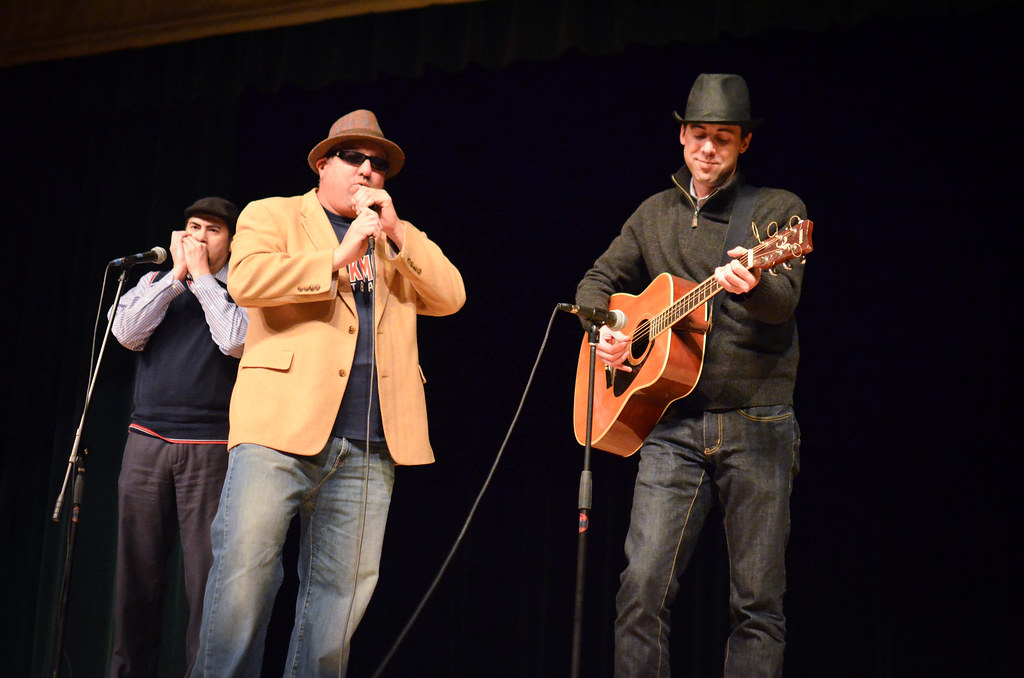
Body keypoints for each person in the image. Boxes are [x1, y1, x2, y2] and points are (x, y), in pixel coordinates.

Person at [194, 109, 466, 677]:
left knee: (338, 606)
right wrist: (338, 257)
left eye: (379, 165)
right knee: (244, 587)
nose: (368, 171)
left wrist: (394, 232)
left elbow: (450, 295)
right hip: (278, 432)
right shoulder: (273, 214)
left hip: (369, 443)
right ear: (323, 163)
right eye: (354, 158)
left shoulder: (394, 237)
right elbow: (245, 282)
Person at [575, 74, 808, 677]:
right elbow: (596, 282)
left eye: (723, 139)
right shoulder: (653, 214)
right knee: (640, 589)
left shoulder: (777, 213)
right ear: (682, 136)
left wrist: (754, 284)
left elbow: (782, 305)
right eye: (699, 135)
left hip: (757, 419)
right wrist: (607, 329)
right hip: (671, 423)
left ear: (743, 145)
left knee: (756, 602)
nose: (708, 149)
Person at [107, 196, 247, 677]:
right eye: (193, 227)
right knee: (136, 578)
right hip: (146, 440)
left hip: (210, 448)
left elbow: (234, 341)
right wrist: (175, 280)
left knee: (206, 584)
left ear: (231, 242)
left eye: (213, 230)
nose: (200, 238)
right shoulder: (154, 282)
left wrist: (205, 280)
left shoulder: (243, 289)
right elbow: (125, 333)